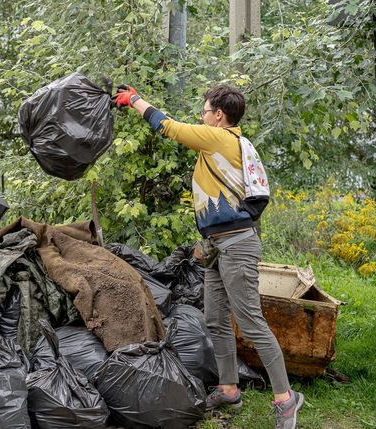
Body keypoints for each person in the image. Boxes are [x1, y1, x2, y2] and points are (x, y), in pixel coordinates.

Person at [113, 84, 305, 429]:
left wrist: (134, 101)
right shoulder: (225, 144)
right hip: (217, 244)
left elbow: (168, 127)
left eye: (204, 111)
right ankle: (229, 388)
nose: (201, 117)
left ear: (219, 115)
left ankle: (286, 398)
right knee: (215, 318)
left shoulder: (219, 138)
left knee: (251, 322)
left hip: (237, 244)